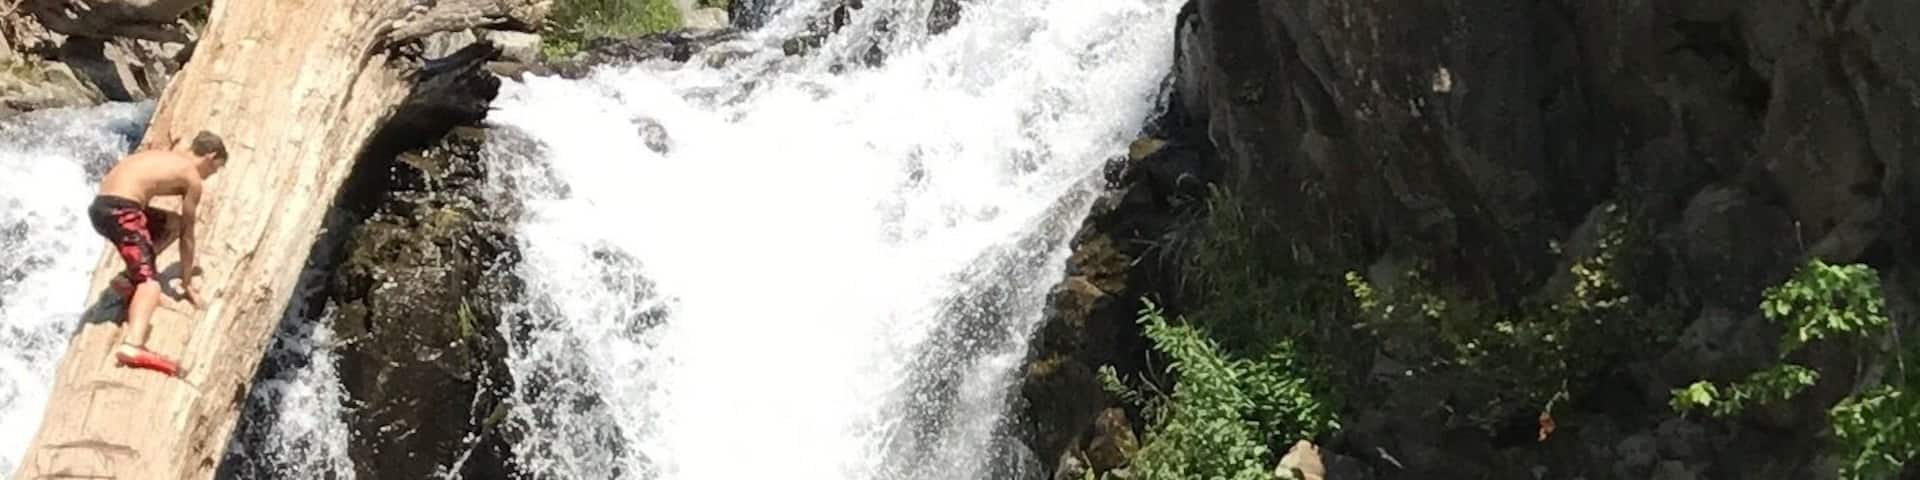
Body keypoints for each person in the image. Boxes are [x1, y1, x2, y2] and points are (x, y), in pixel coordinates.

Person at [87, 130, 227, 377]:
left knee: (169, 223)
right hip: (122, 210)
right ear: (210, 156)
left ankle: (128, 279)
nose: (210, 175)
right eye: (214, 169)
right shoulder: (192, 177)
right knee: (150, 284)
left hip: (101, 206)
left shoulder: (170, 156)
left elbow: (176, 225)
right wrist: (186, 282)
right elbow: (188, 233)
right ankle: (133, 346)